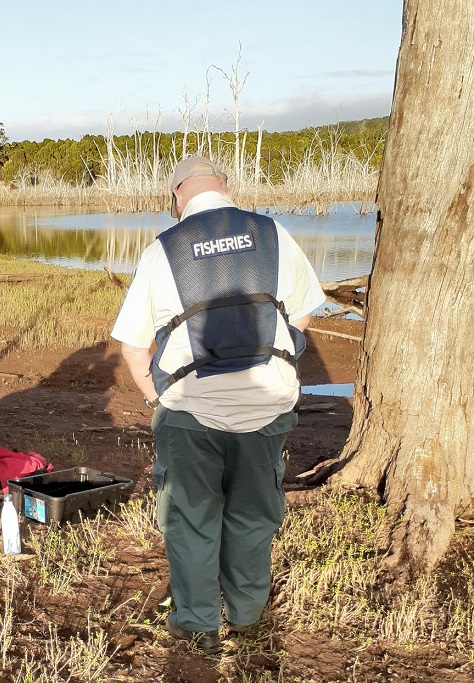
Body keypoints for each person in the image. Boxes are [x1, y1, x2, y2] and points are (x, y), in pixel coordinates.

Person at [111, 155, 326, 654]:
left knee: (190, 519)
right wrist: (279, 361)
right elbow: (307, 311)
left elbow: (132, 345)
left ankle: (198, 624)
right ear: (225, 188)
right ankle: (248, 613)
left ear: (177, 195)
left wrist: (157, 398)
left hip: (190, 411)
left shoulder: (163, 250)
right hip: (267, 409)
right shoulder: (273, 233)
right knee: (252, 515)